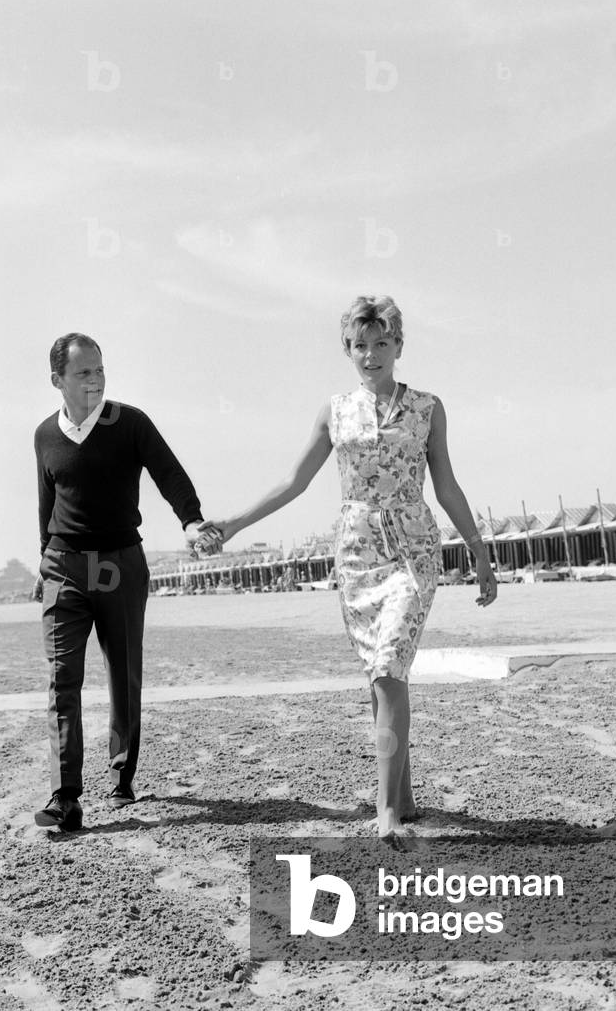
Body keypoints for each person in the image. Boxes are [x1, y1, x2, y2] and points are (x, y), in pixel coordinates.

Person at [204, 296, 497, 840]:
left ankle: (384, 811)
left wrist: (478, 548)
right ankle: (404, 797)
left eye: (381, 343)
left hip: (413, 549)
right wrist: (234, 524)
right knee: (382, 672)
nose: (371, 355)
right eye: (360, 345)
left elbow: (447, 484)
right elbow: (295, 482)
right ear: (348, 350)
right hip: (358, 553)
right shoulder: (334, 410)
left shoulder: (429, 408)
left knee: (388, 664)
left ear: (399, 347)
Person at [32, 333, 217, 832]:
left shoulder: (129, 422)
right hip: (64, 566)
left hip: (119, 564)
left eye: (99, 369)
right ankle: (65, 795)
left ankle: (121, 773)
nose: (95, 380)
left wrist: (191, 520)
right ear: (58, 381)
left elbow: (168, 472)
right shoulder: (45, 435)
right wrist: (41, 563)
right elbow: (46, 506)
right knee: (61, 678)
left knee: (123, 674)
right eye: (83, 373)